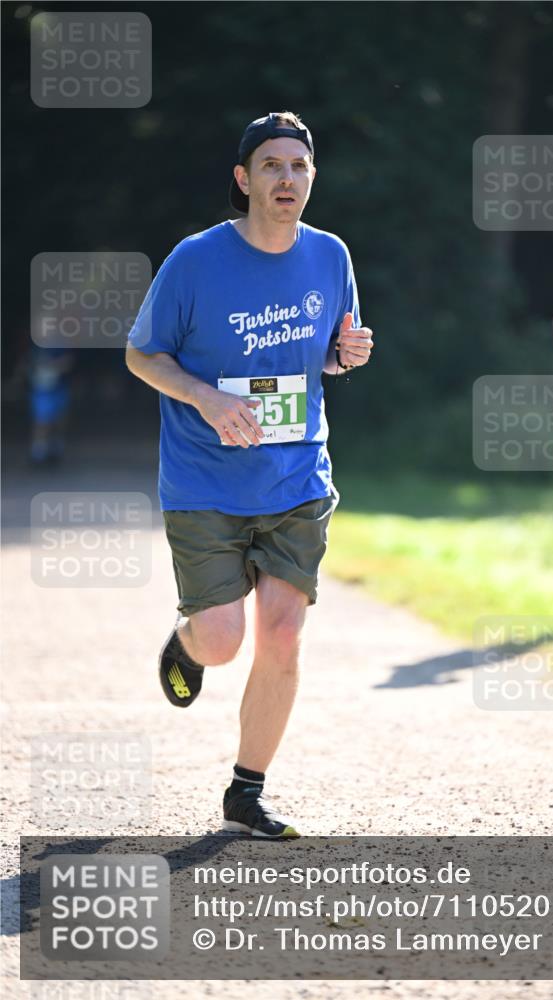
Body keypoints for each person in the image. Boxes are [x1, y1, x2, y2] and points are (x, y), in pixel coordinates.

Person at [125, 112, 373, 836]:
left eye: (298, 166)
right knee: (225, 639)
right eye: (271, 165)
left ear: (311, 178)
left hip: (297, 476)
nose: (286, 178)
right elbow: (143, 354)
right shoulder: (195, 260)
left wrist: (346, 354)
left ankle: (247, 790)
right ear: (244, 179)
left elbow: (328, 353)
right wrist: (205, 397)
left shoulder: (330, 256)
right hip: (204, 480)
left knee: (283, 633)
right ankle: (188, 641)